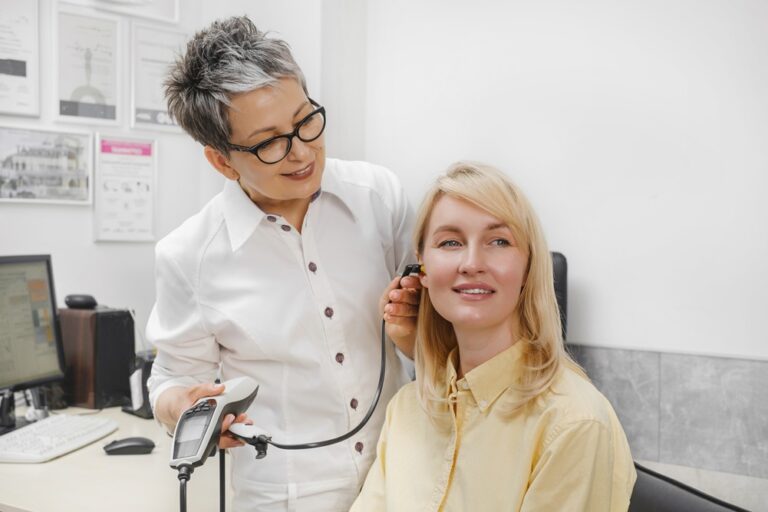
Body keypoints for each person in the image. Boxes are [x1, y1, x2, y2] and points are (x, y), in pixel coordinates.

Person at [146, 16, 420, 511]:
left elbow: (434, 338)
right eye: (270, 142)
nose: (302, 152)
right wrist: (183, 407)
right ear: (222, 162)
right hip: (287, 495)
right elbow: (170, 381)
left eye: (306, 120)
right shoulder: (189, 256)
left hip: (399, 475)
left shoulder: (380, 198)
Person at [351, 162, 637, 511]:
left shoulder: (575, 422)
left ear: (528, 266)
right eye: (450, 241)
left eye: (499, 241)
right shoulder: (407, 409)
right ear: (421, 267)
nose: (472, 263)